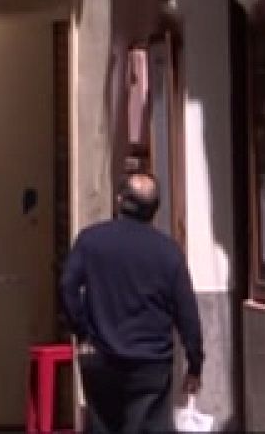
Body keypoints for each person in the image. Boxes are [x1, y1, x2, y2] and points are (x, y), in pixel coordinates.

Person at [59, 173, 204, 434]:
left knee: (102, 425)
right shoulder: (168, 252)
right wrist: (194, 364)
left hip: (101, 358)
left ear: (119, 200)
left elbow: (67, 287)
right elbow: (187, 314)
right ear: (155, 209)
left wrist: (82, 332)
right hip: (151, 363)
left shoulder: (91, 241)